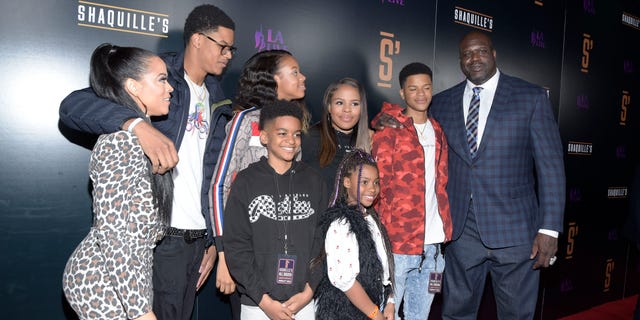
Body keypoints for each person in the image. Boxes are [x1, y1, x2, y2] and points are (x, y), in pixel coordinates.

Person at [59, 5, 236, 319]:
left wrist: (212, 241)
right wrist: (135, 124)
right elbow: (74, 106)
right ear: (197, 40)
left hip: (195, 241)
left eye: (232, 48)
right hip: (160, 237)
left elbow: (211, 176)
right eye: (223, 45)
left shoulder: (219, 99)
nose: (229, 54)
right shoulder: (156, 74)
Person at [431, 31, 565, 319]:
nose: (473, 58)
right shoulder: (440, 103)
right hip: (461, 233)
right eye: (466, 54)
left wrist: (550, 229)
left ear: (493, 54)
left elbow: (551, 168)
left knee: (516, 315)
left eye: (480, 51)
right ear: (459, 61)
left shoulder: (530, 97)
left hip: (517, 234)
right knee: (455, 314)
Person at [62, 43, 174, 320]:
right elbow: (113, 234)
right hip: (102, 279)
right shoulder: (122, 142)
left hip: (125, 275)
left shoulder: (141, 139)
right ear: (134, 87)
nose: (170, 88)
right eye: (161, 80)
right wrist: (140, 312)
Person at [209, 49, 309, 301]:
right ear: (273, 79)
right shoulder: (245, 121)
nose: (303, 77)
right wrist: (223, 255)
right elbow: (219, 185)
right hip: (243, 249)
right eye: (294, 72)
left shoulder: (295, 127)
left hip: (281, 253)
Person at [223, 100, 327, 320]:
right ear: (264, 137)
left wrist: (309, 291)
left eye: (297, 134)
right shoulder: (246, 182)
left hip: (303, 302)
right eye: (282, 133)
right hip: (257, 304)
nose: (291, 141)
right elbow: (236, 245)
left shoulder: (314, 181)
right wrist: (264, 300)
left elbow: (323, 240)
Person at [371, 62, 452, 320]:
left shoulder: (438, 130)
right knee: (386, 315)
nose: (420, 94)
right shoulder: (389, 131)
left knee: (420, 316)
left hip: (432, 245)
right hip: (398, 243)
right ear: (402, 92)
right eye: (413, 88)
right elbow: (377, 186)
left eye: (426, 88)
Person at [314, 149, 395, 320]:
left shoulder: (372, 218)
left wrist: (390, 302)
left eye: (376, 182)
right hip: (348, 312)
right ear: (347, 182)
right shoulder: (341, 224)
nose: (372, 189)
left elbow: (384, 268)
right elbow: (346, 281)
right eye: (364, 182)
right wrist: (375, 314)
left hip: (374, 307)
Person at [301, 77, 372, 189]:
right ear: (329, 106)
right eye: (339, 103)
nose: (347, 109)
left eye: (354, 104)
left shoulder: (371, 142)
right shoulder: (309, 138)